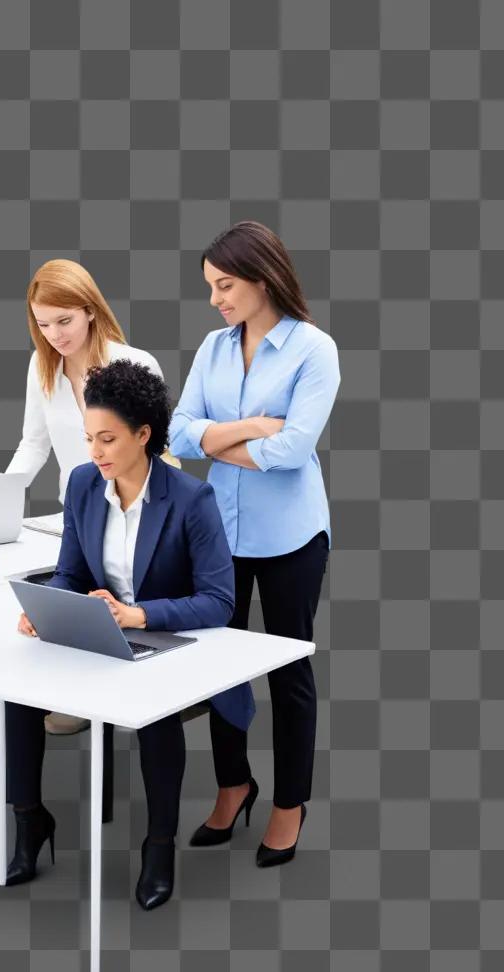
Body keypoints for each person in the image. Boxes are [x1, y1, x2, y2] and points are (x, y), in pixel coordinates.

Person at [5, 360, 249, 909]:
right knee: (16, 693)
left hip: (167, 639)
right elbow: (70, 571)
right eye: (90, 438)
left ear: (144, 435)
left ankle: (158, 847)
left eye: (108, 439)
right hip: (102, 630)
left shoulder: (191, 499)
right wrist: (52, 608)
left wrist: (139, 616)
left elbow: (220, 600)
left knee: (156, 715)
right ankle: (29, 821)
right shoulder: (84, 484)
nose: (95, 451)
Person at [168, 221, 339, 867]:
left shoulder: (313, 350)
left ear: (262, 280)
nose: (215, 298)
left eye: (225, 284)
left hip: (293, 537)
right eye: (211, 286)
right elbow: (178, 434)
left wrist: (218, 441)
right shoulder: (214, 347)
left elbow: (295, 449)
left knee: (288, 671)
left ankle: (290, 804)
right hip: (221, 534)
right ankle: (234, 786)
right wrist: (246, 430)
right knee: (218, 666)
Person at [0, 258, 172, 736]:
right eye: (43, 324)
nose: (55, 334)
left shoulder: (134, 363)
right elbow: (34, 443)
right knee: (38, 591)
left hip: (133, 513)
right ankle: (75, 697)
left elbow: (161, 449)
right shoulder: (43, 367)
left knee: (114, 599)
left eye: (64, 321)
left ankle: (138, 697)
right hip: (74, 514)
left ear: (90, 311)